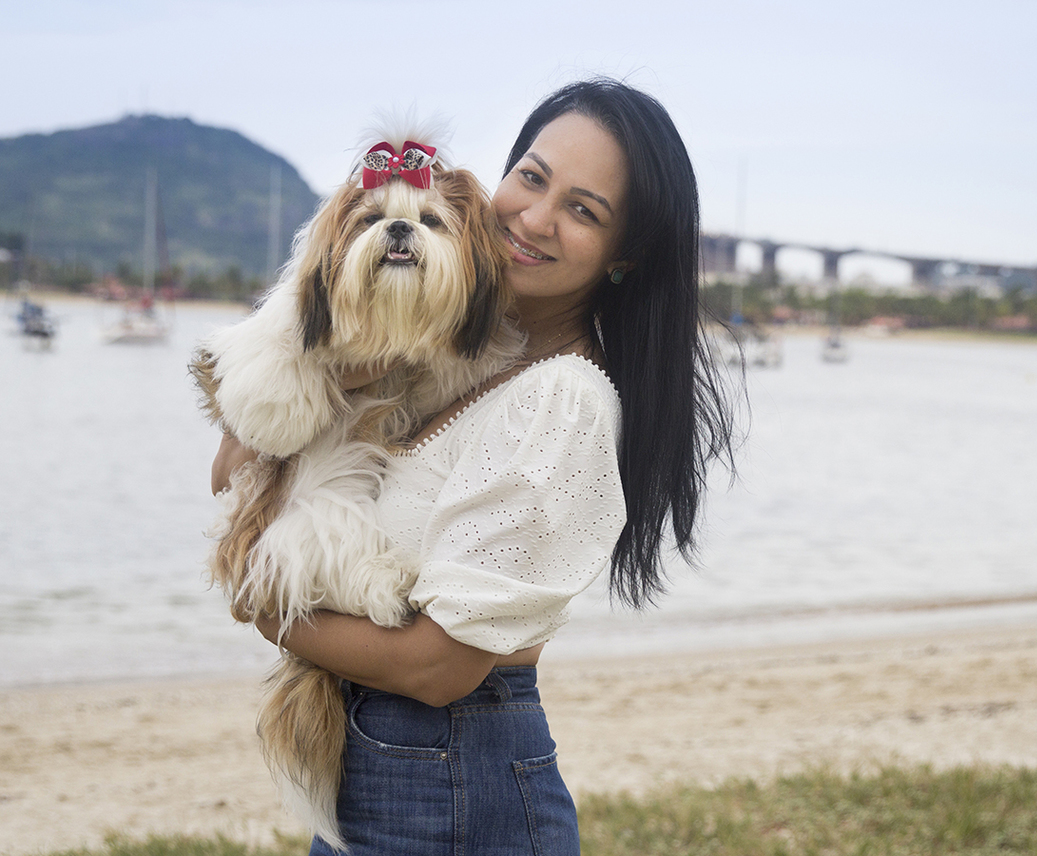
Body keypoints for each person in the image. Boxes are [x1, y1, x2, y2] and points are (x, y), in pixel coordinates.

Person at [210, 77, 739, 855]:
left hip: (452, 779)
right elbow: (231, 475)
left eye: (583, 209)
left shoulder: (559, 403)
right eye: (531, 176)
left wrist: (261, 609)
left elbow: (437, 668)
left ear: (624, 255)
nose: (535, 216)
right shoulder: (437, 344)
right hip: (377, 764)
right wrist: (327, 377)